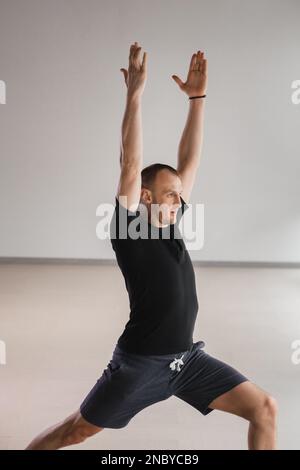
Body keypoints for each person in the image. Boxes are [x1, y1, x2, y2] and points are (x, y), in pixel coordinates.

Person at [25, 42, 277, 451]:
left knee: (264, 408)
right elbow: (129, 163)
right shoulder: (129, 228)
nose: (180, 198)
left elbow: (189, 161)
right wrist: (134, 94)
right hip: (140, 365)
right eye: (171, 192)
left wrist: (197, 100)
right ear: (144, 196)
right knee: (74, 430)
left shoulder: (172, 222)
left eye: (180, 193)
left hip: (186, 361)